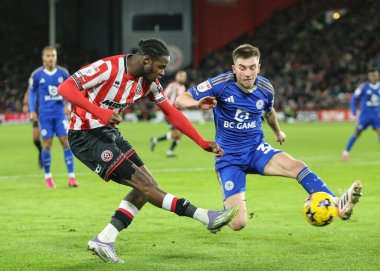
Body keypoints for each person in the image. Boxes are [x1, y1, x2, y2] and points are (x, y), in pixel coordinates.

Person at [57, 38, 238, 263]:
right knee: (144, 185)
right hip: (85, 136)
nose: (162, 72)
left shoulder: (149, 82)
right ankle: (204, 216)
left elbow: (171, 112)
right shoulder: (107, 67)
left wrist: (201, 141)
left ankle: (104, 238)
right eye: (161, 66)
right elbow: (65, 88)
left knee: (148, 185)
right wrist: (100, 113)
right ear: (146, 60)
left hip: (109, 133)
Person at [176, 44, 363, 231]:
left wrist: (277, 132)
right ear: (234, 69)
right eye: (242, 68)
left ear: (259, 67)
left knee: (297, 166)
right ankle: (220, 215)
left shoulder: (266, 88)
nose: (248, 73)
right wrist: (196, 104)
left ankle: (336, 203)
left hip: (256, 150)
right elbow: (180, 100)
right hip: (229, 157)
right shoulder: (220, 84)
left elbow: (269, 112)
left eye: (252, 67)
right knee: (238, 224)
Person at [28, 46, 78, 188]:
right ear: (43, 58)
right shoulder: (37, 75)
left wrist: (68, 105)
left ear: (56, 57)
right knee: (47, 144)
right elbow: (32, 93)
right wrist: (32, 110)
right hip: (44, 114)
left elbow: (69, 91)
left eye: (53, 55)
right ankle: (48, 177)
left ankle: (71, 177)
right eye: (48, 56)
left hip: (59, 113)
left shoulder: (63, 73)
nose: (50, 58)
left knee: (65, 142)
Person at [342, 69, 380, 161]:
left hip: (376, 115)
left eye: (375, 75)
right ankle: (346, 152)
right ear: (369, 77)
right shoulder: (363, 87)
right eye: (372, 75)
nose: (374, 77)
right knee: (357, 133)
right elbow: (354, 98)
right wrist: (354, 110)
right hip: (365, 115)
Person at [150, 70, 187, 157]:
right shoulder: (173, 85)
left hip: (177, 113)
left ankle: (157, 142)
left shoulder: (183, 87)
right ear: (178, 77)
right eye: (181, 76)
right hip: (170, 112)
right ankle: (167, 149)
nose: (183, 78)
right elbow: (163, 94)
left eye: (184, 76)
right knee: (177, 134)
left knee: (179, 133)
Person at [23, 88, 43, 168]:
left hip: (47, 109)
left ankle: (43, 159)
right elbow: (28, 91)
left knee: (46, 137)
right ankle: (41, 151)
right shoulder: (36, 78)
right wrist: (25, 104)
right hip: (36, 110)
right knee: (35, 139)